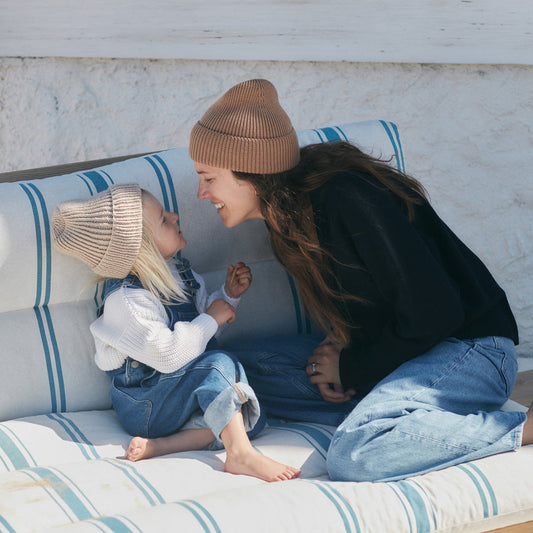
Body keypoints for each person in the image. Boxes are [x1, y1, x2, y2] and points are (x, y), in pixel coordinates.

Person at [188, 78, 533, 482]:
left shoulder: (345, 196)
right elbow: (378, 304)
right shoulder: (289, 222)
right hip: (407, 356)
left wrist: (352, 367)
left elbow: (435, 311)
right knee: (239, 369)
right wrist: (343, 350)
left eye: (209, 178)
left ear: (251, 172)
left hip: (471, 350)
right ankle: (401, 414)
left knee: (355, 452)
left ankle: (514, 429)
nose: (200, 193)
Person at [51, 183, 300, 482]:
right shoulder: (126, 301)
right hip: (146, 403)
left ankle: (163, 446)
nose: (174, 216)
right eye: (163, 221)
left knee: (244, 409)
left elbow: (198, 319)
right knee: (220, 365)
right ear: (140, 248)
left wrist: (227, 296)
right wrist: (213, 317)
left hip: (176, 397)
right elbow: (169, 355)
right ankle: (240, 455)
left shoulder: (182, 274)